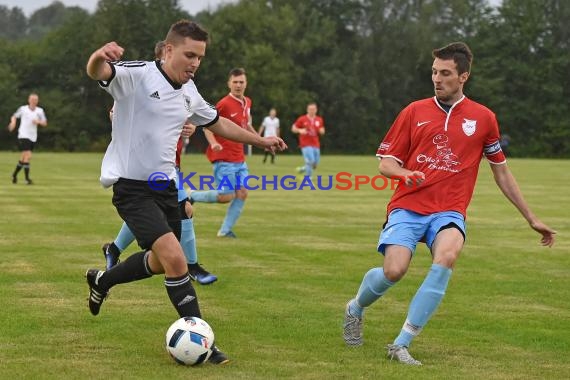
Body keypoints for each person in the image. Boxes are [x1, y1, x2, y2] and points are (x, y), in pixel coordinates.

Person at [85, 20, 286, 365]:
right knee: (178, 260)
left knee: (163, 263)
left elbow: (218, 123)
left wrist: (261, 140)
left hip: (167, 188)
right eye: (189, 55)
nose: (194, 63)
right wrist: (97, 56)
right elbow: (99, 71)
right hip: (133, 189)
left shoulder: (190, 90)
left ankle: (102, 280)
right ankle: (204, 343)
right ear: (168, 50)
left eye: (200, 57)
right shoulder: (138, 75)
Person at [342, 42, 556, 365]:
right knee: (394, 270)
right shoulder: (413, 111)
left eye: (445, 73)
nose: (436, 79)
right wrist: (404, 173)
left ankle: (401, 344)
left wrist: (531, 217)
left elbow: (501, 172)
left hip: (449, 211)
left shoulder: (484, 118)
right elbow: (385, 163)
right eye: (433, 72)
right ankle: (355, 307)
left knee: (447, 256)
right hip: (408, 207)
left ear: (463, 76)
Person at [102, 41, 218, 286]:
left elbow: (200, 116)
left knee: (158, 218)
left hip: (170, 165)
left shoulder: (185, 91)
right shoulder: (141, 82)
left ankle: (113, 250)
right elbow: (117, 111)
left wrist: (192, 126)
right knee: (184, 210)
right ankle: (192, 265)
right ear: (164, 56)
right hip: (149, 170)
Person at [189, 68, 257, 238]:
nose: (238, 85)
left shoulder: (247, 102)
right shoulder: (224, 104)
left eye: (241, 82)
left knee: (242, 193)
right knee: (226, 196)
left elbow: (246, 125)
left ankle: (225, 231)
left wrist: (261, 140)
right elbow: (207, 125)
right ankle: (191, 195)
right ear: (229, 83)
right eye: (235, 82)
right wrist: (213, 143)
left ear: (246, 83)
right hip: (224, 158)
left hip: (240, 158)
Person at [8, 93, 48, 185]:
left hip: (33, 136)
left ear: (37, 101)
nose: (34, 101)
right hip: (23, 135)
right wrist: (13, 123)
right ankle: (27, 179)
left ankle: (14, 175)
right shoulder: (23, 109)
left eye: (36, 100)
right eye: (32, 99)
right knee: (28, 156)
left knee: (23, 158)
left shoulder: (40, 111)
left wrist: (38, 121)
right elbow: (14, 116)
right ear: (29, 100)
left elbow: (45, 123)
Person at [291, 102, 325, 178]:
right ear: (307, 110)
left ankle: (303, 169)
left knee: (315, 164)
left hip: (316, 144)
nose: (312, 111)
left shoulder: (319, 119)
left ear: (316, 110)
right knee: (311, 161)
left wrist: (322, 131)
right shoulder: (302, 119)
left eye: (313, 109)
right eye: (310, 109)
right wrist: (300, 130)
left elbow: (322, 129)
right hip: (305, 144)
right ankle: (308, 178)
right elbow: (293, 128)